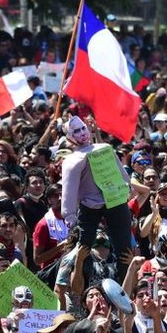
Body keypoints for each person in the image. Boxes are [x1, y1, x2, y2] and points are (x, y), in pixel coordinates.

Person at [60, 116, 133, 280]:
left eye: (83, 128)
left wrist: (127, 188)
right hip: (89, 206)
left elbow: (120, 173)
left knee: (124, 249)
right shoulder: (72, 160)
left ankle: (126, 286)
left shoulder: (105, 148)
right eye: (76, 131)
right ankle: (83, 281)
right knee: (83, 248)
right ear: (70, 138)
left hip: (115, 201)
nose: (82, 133)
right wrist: (69, 214)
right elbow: (69, 189)